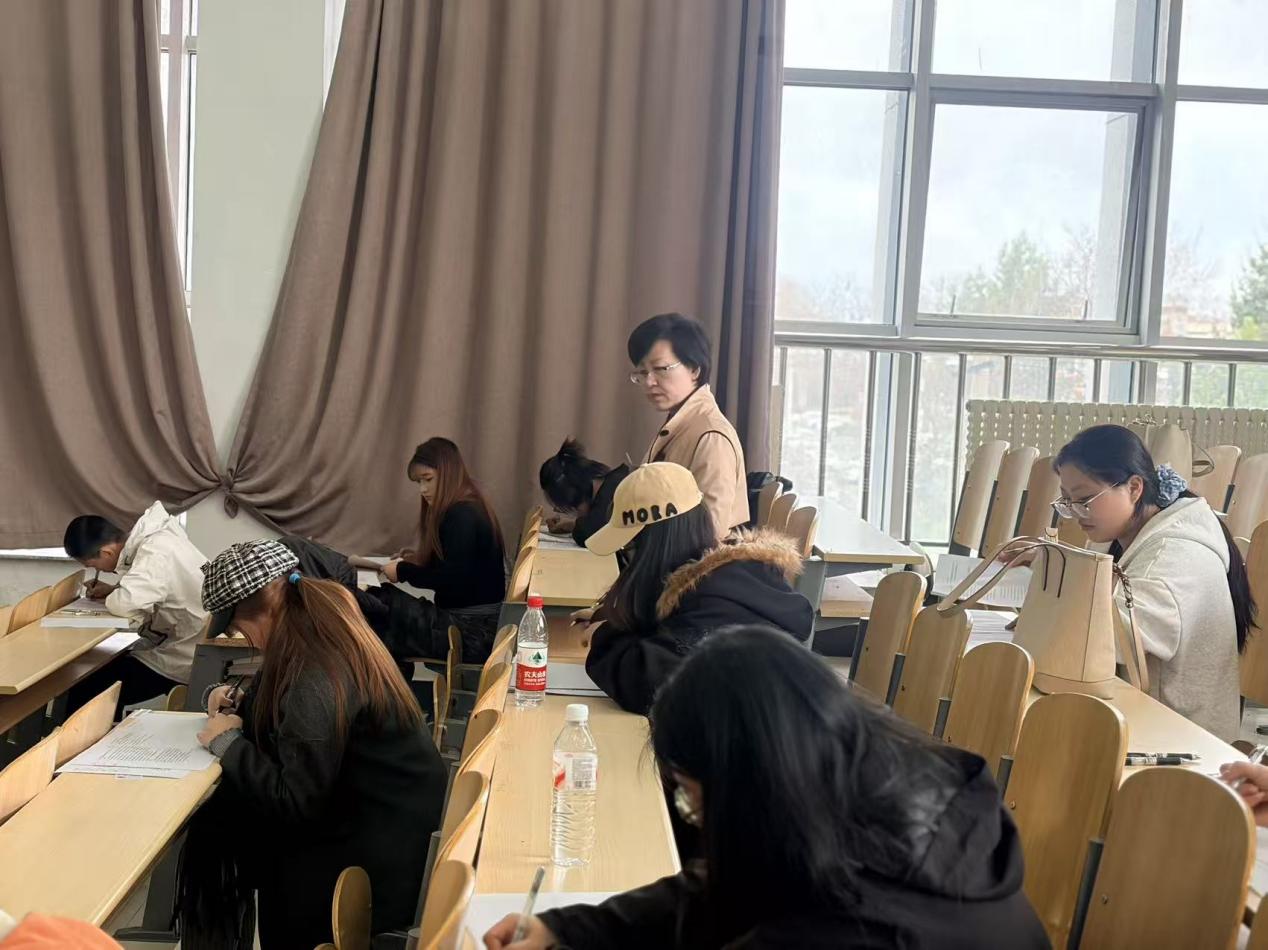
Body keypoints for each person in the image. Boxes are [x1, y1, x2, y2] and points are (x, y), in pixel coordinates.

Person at [484, 627, 1049, 949]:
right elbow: (719, 887)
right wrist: (565, 929)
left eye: (692, 796)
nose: (693, 814)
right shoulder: (900, 802)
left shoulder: (841, 932)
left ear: (750, 790)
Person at [181, 540, 446, 950]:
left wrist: (228, 743)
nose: (238, 636)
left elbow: (295, 801)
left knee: (226, 834)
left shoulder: (315, 670)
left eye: (236, 626)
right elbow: (292, 719)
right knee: (228, 828)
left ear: (263, 607)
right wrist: (235, 701)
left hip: (374, 857)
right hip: (389, 820)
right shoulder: (321, 628)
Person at [1049, 424, 1253, 741]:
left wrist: (1049, 612)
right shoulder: (1134, 533)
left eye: (1085, 499)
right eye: (1067, 501)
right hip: (1154, 720)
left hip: (1176, 742)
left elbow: (1102, 642)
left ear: (1134, 487)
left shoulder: (1173, 558)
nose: (1076, 512)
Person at [581, 462, 814, 715]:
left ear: (652, 546)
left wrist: (602, 636)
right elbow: (669, 636)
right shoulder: (724, 578)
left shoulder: (714, 598)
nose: (628, 560)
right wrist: (615, 618)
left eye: (628, 548)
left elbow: (648, 684)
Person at [360, 437, 507, 663]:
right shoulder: (470, 505)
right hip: (477, 624)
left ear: (448, 473)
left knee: (377, 605)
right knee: (381, 604)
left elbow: (451, 580)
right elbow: (458, 567)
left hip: (471, 631)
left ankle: (390, 682)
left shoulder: (461, 514)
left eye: (428, 479)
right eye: (419, 482)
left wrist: (403, 571)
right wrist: (417, 560)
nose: (423, 489)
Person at [62, 503, 208, 715]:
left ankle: (85, 734)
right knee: (99, 668)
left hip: (185, 654)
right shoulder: (160, 537)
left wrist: (114, 595)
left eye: (92, 565)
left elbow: (125, 604)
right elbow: (155, 588)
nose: (96, 571)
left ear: (107, 552)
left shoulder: (155, 553)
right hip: (185, 640)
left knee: (88, 687)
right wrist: (114, 589)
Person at [628, 313, 747, 540]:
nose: (649, 382)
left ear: (694, 369)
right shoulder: (681, 424)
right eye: (642, 372)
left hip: (689, 563)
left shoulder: (711, 436)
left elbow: (710, 533)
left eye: (660, 368)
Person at [538, 438, 630, 547]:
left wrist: (577, 525)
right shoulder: (617, 479)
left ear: (576, 498)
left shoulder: (612, 498)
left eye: (571, 509)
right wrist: (572, 524)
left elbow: (586, 534)